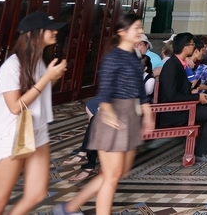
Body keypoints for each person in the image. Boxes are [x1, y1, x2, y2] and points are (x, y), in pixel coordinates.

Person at [53, 13, 154, 215]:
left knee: (119, 172)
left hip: (130, 118)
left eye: (140, 27)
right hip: (112, 118)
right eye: (136, 28)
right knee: (112, 175)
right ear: (121, 32)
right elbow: (104, 93)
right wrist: (108, 113)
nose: (140, 31)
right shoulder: (113, 57)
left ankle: (69, 207)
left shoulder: (135, 56)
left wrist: (147, 113)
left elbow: (140, 92)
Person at [0, 13, 67, 215]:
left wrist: (51, 77)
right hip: (10, 136)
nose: (55, 31)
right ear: (32, 34)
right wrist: (48, 77)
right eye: (50, 28)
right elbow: (15, 107)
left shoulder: (38, 61)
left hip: (37, 130)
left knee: (37, 193)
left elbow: (36, 93)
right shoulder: (12, 66)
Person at [154, 32, 207, 161]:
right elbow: (172, 97)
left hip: (184, 106)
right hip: (173, 111)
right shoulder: (171, 66)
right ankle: (200, 152)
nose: (194, 47)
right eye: (192, 44)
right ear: (185, 47)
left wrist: (194, 91)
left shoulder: (180, 63)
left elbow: (183, 88)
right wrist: (196, 98)